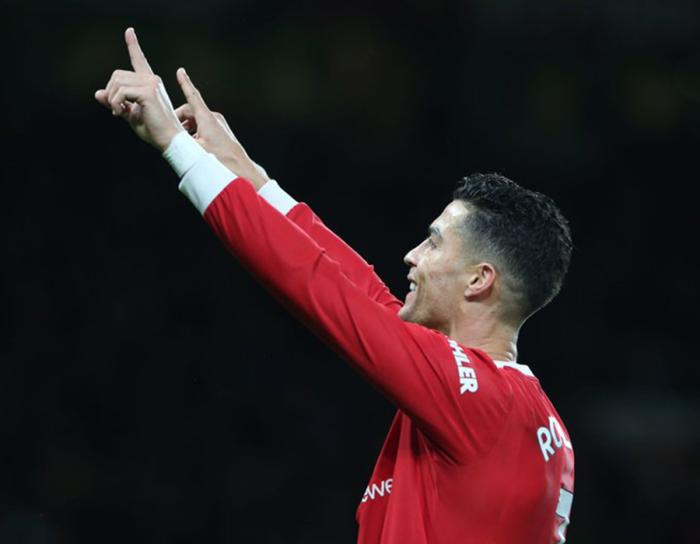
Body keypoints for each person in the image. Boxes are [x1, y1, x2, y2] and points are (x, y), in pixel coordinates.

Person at [95, 28, 575, 544]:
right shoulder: (528, 418)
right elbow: (357, 288)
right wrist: (246, 173)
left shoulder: (482, 402)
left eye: (434, 243)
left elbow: (319, 287)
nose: (412, 255)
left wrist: (175, 146)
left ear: (479, 280)